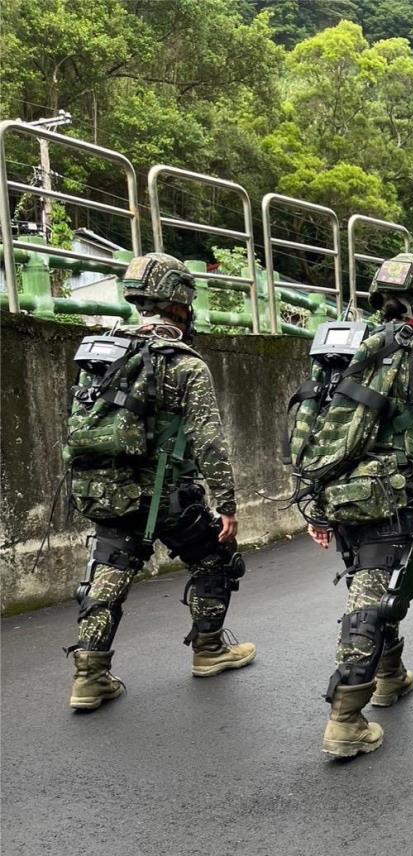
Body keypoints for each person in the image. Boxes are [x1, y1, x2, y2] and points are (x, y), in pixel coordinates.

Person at [65, 252, 255, 711]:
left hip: (109, 489)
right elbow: (210, 443)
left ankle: (89, 676)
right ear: (181, 303)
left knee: (107, 574)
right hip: (167, 496)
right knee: (214, 557)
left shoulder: (102, 353)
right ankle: (209, 650)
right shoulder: (185, 363)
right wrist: (227, 505)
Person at [307, 253, 413, 758]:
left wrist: (314, 504)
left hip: (335, 490)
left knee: (373, 580)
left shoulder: (346, 346)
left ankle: (390, 675)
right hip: (393, 495)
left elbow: (312, 426)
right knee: (370, 596)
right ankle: (345, 718)